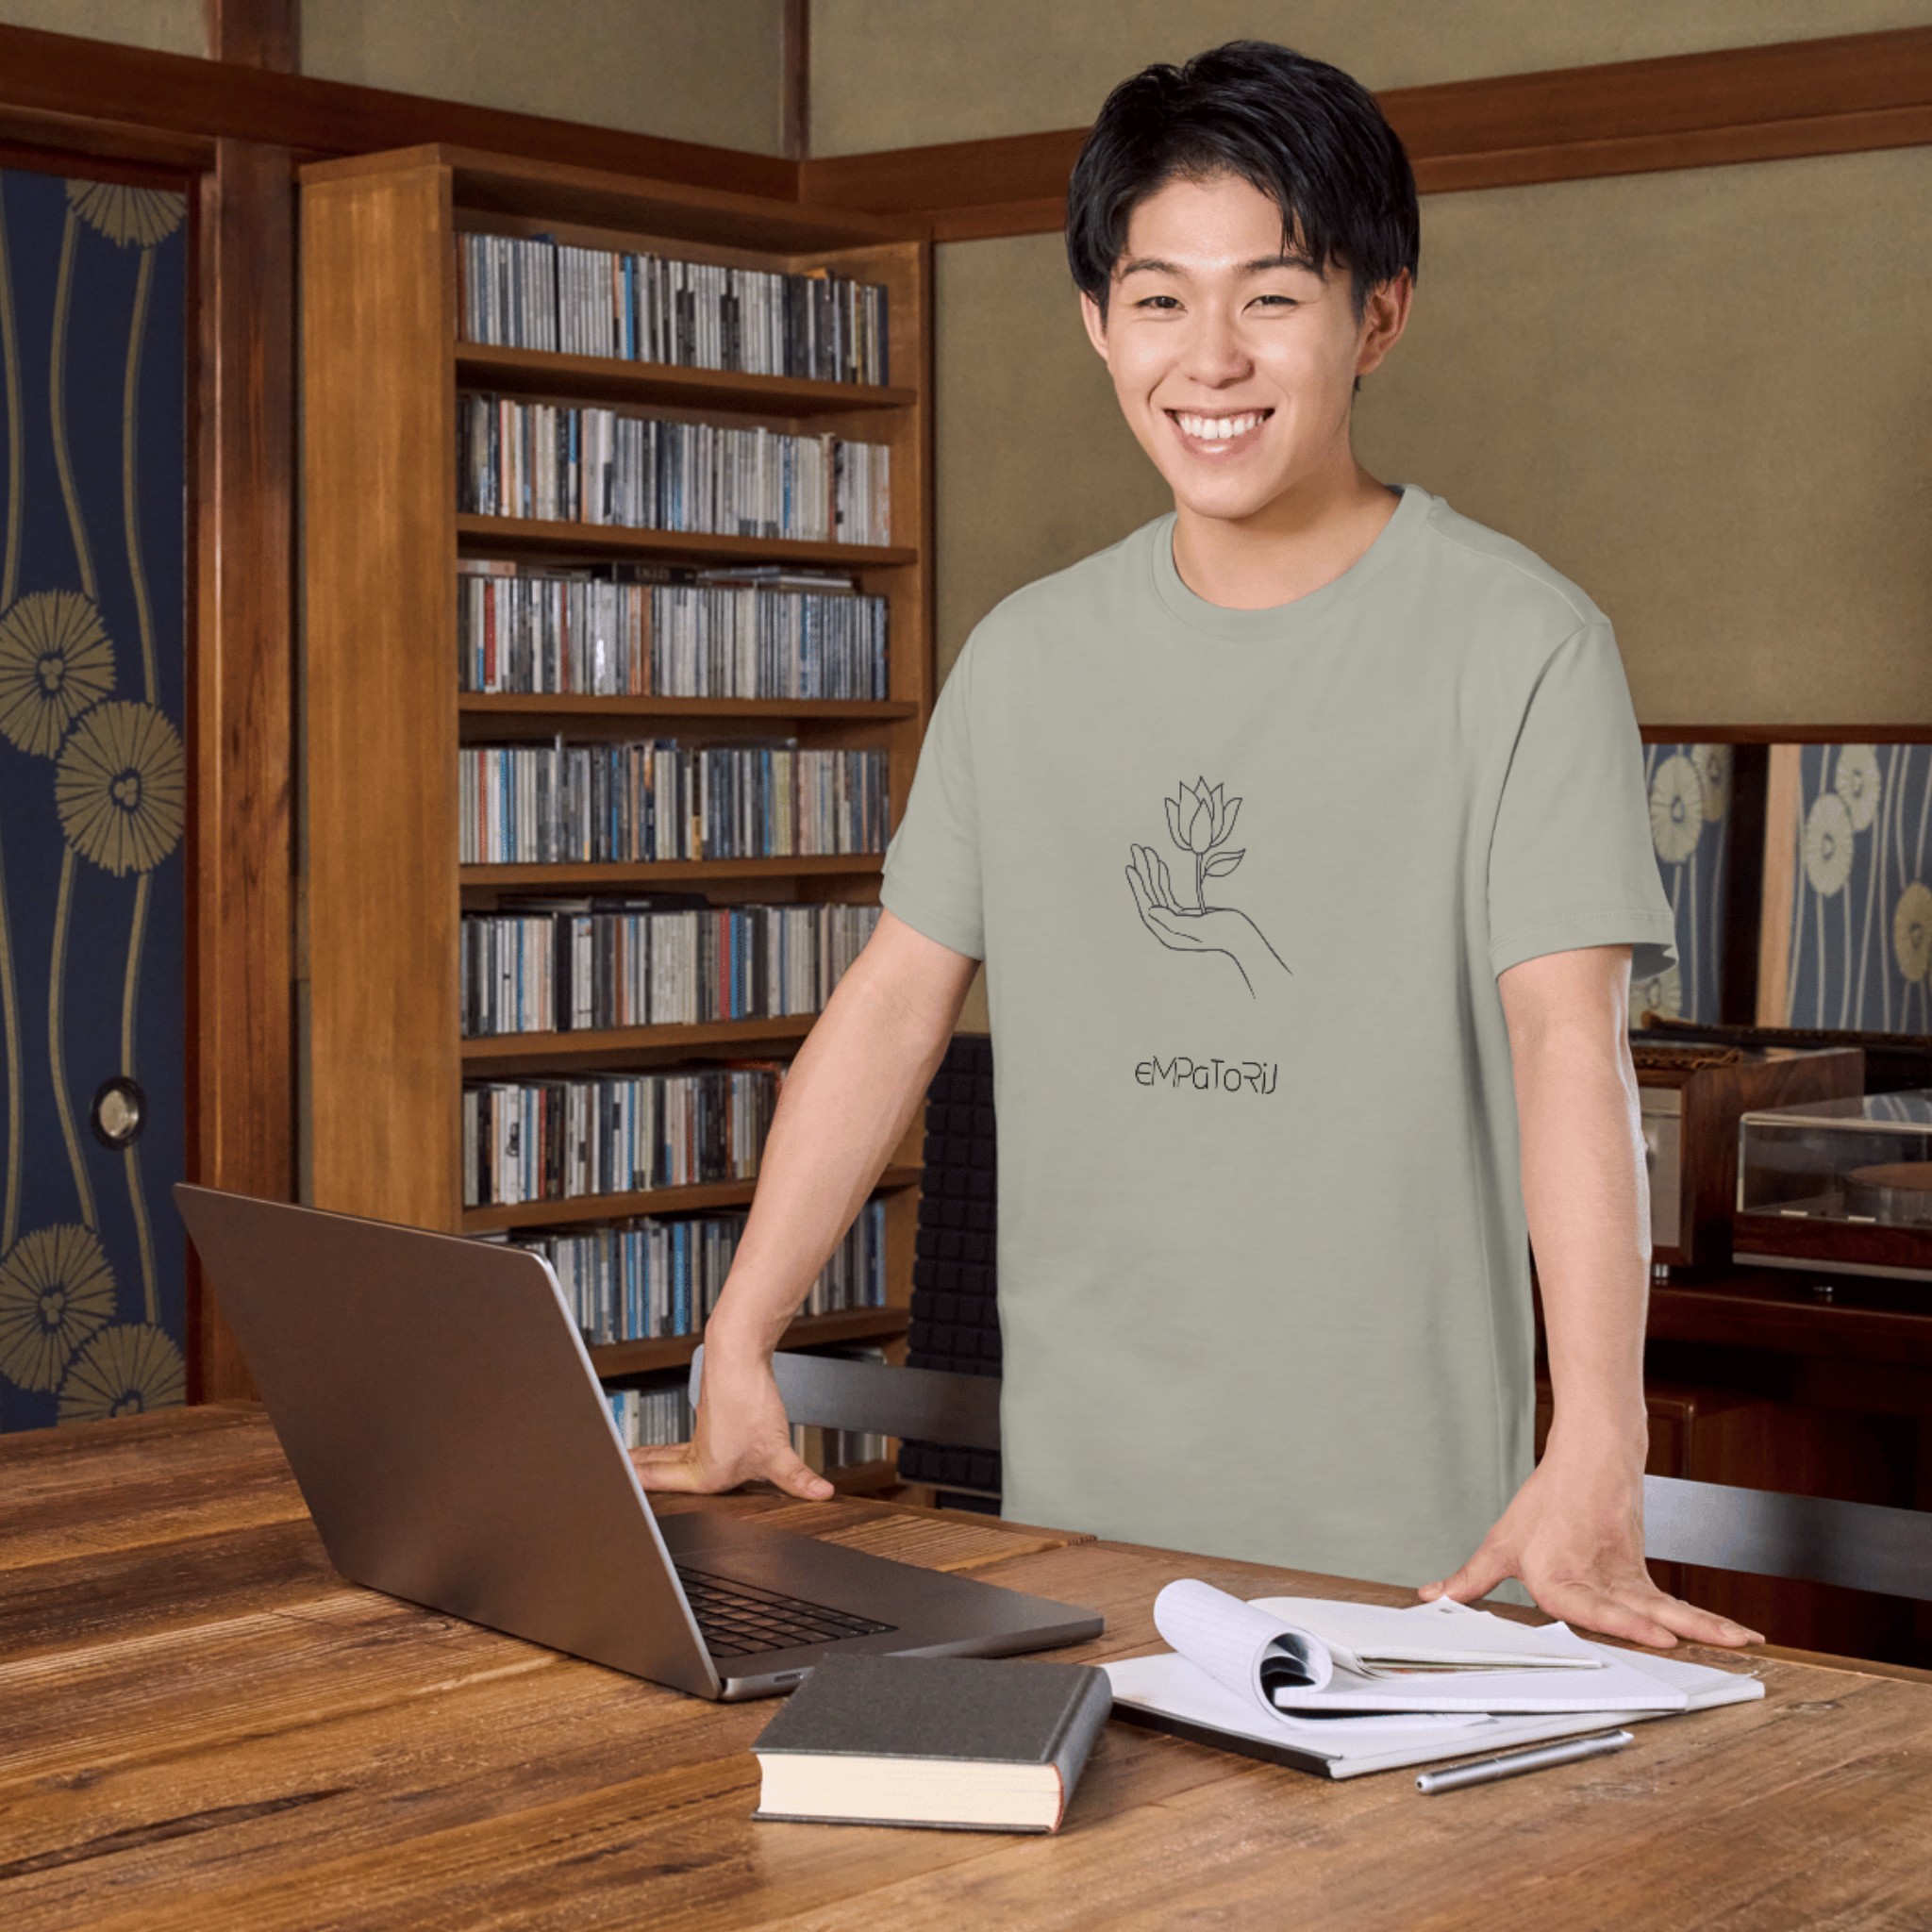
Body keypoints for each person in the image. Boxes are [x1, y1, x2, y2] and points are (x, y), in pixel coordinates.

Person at [635, 41, 1759, 1651]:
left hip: (1402, 1553)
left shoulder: (1523, 645)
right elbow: (892, 1005)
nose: (1211, 359)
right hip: (1076, 1531)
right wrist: (741, 1334)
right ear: (1099, 324)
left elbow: (1561, 1051)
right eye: (1160, 299)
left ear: (1379, 314)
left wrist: (1599, 1432)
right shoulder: (1026, 658)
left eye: (1274, 296)